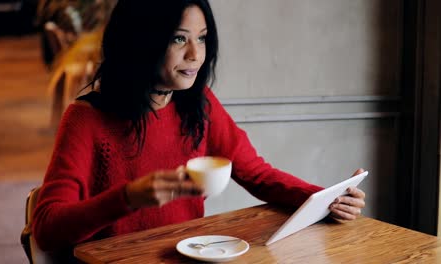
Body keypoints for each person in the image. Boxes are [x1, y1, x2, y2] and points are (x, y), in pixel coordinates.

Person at [32, 0, 366, 255]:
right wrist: (128, 198)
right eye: (179, 39)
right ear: (140, 41)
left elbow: (256, 174)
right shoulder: (87, 119)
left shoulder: (198, 103)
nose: (195, 54)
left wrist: (323, 200)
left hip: (188, 256)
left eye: (202, 39)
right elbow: (46, 228)